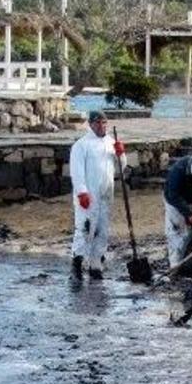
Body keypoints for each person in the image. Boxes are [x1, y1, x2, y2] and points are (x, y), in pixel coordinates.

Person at [68, 111, 125, 279]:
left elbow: (121, 167)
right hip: (88, 196)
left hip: (106, 195)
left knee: (102, 230)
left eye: (104, 123)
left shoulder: (110, 142)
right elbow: (76, 172)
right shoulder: (81, 145)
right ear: (91, 124)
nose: (102, 126)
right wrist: (82, 192)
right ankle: (77, 262)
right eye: (98, 123)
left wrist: (121, 154)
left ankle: (95, 265)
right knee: (85, 229)